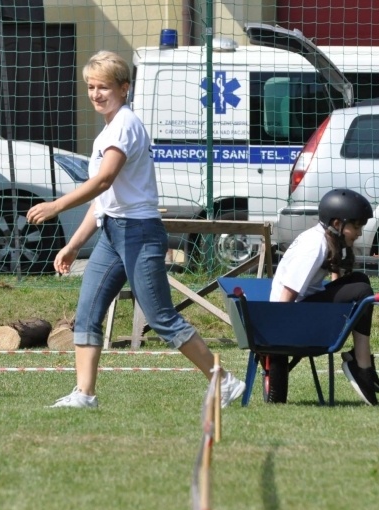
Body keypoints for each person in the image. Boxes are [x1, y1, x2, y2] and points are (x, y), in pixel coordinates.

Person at [26, 50, 245, 409]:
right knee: (88, 312)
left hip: (140, 234)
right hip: (114, 235)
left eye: (104, 87)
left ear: (124, 89)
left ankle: (223, 380)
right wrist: (72, 245)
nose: (96, 94)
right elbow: (104, 199)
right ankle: (85, 395)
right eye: (91, 87)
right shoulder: (108, 129)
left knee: (160, 317)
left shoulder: (126, 124)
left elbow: (103, 180)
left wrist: (57, 205)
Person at [270, 188, 379, 405]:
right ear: (338, 224)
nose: (359, 233)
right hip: (294, 317)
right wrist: (277, 336)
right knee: (362, 290)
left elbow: (335, 280)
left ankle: (360, 360)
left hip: (305, 310)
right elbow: (288, 292)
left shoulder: (326, 238)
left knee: (360, 281)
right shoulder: (314, 246)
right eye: (356, 227)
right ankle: (361, 364)